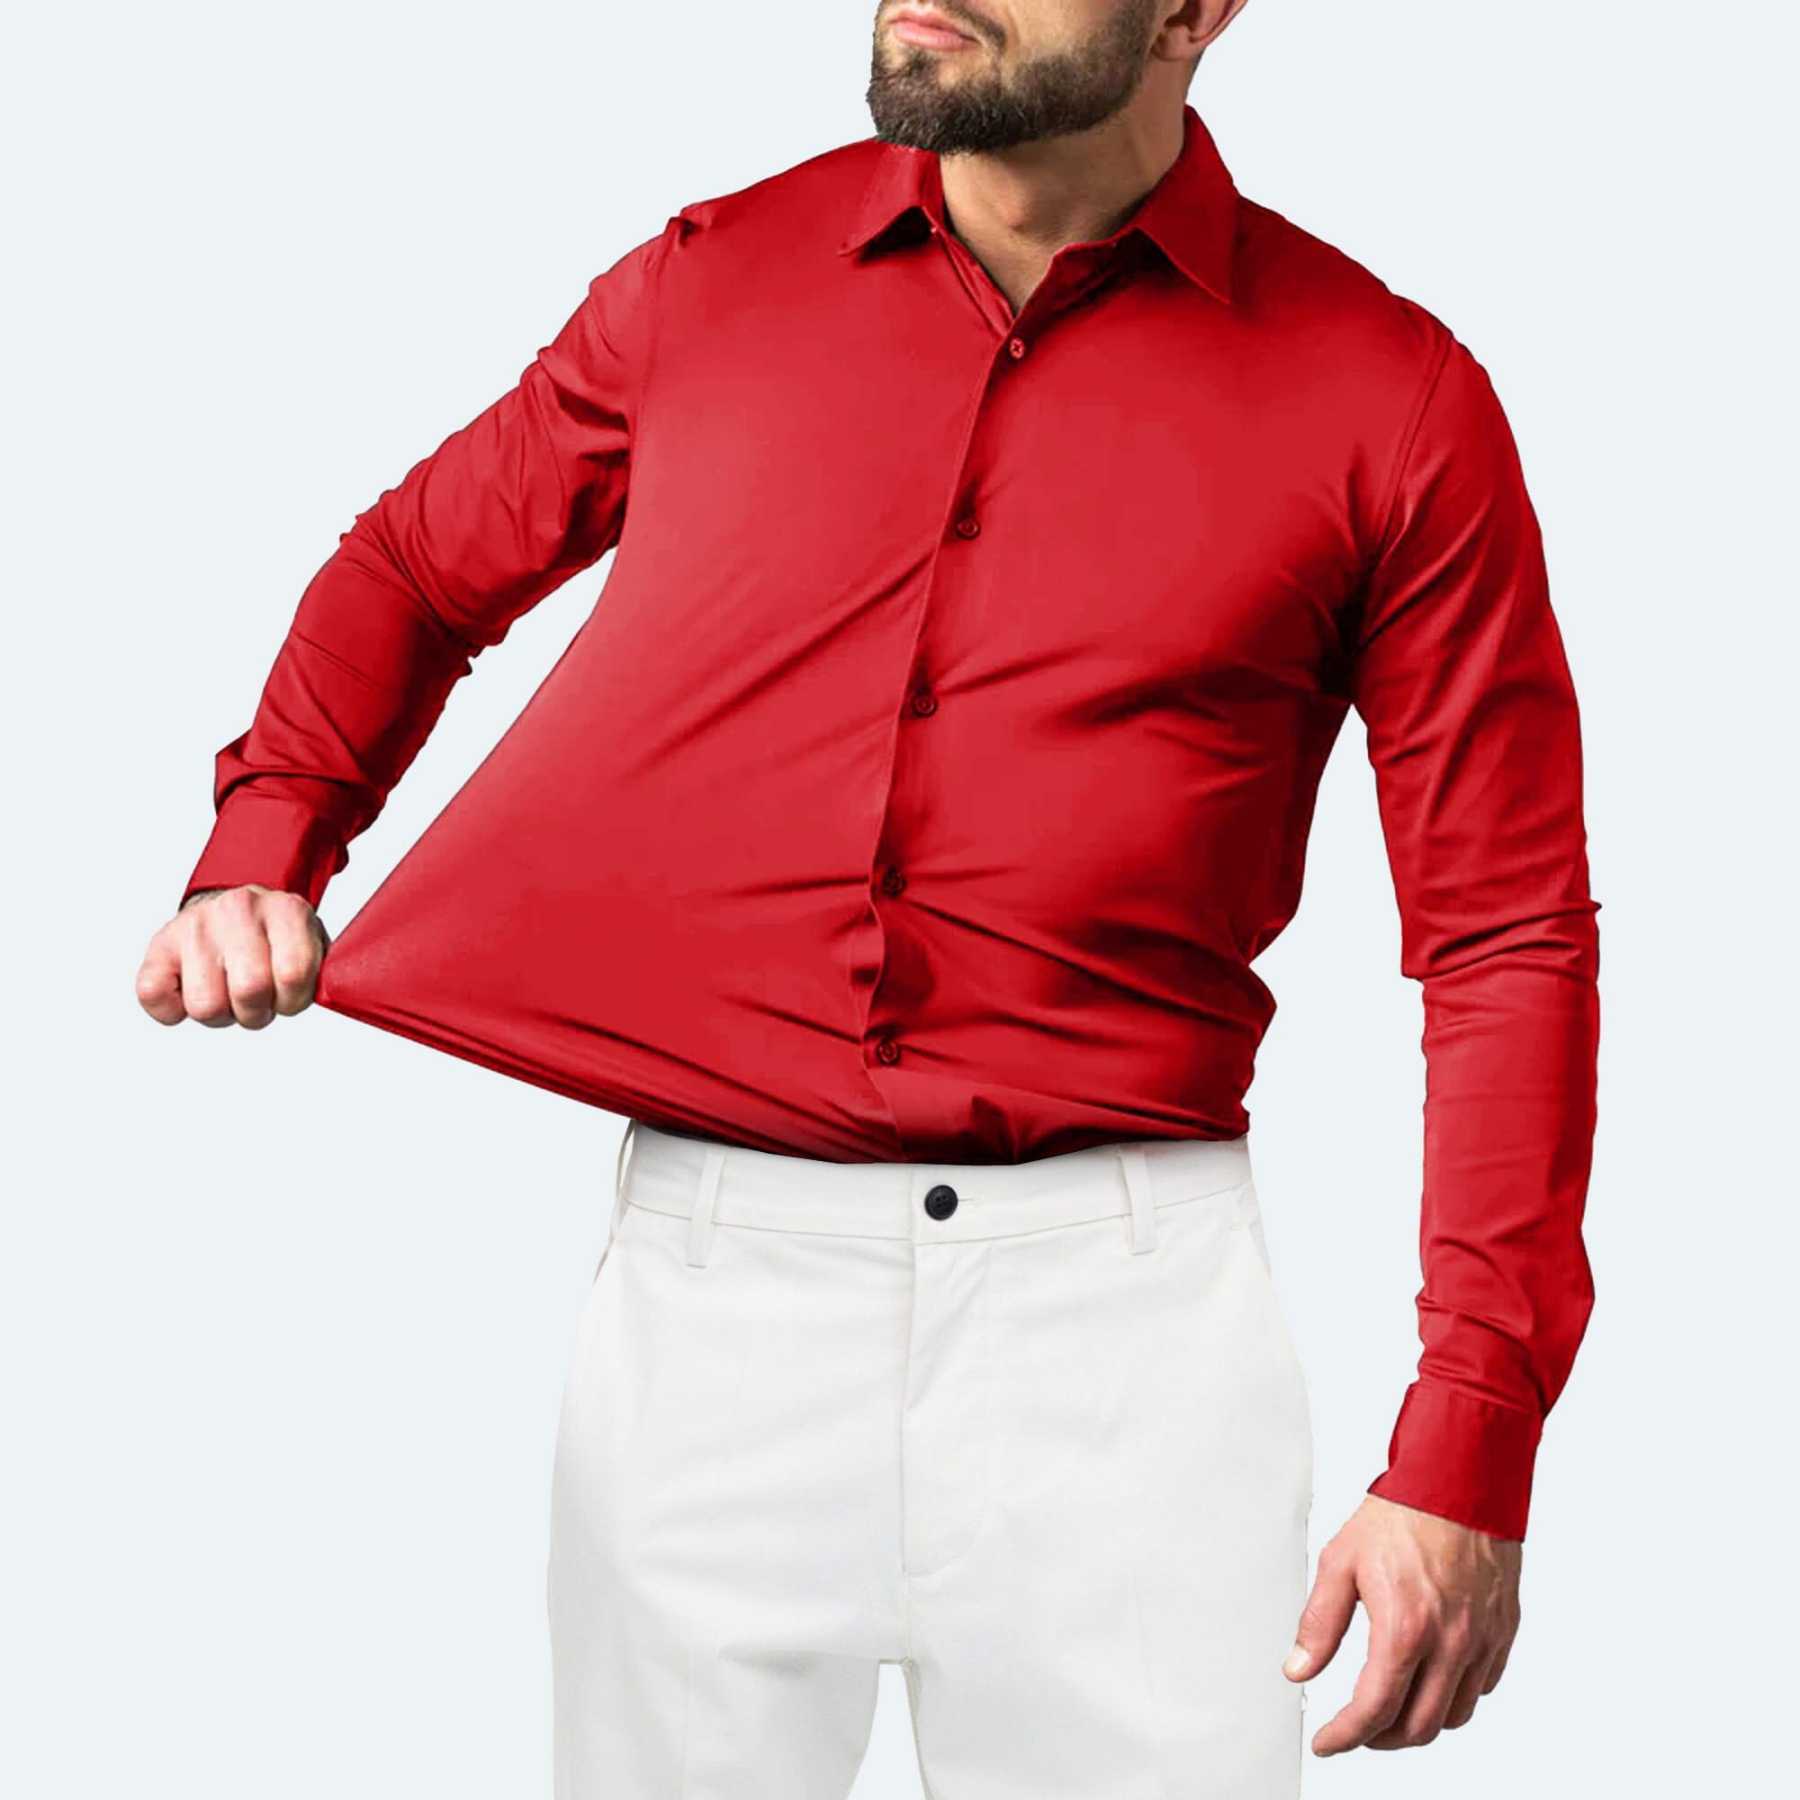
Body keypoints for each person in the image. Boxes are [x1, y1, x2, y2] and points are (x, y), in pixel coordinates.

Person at [135, 2, 1601, 1792]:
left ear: (1194, 11)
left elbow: (1505, 937)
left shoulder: (1390, 395)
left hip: (1132, 1342)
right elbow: (417, 566)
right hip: (705, 1314)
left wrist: (1470, 1440)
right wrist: (268, 840)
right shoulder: (708, 281)